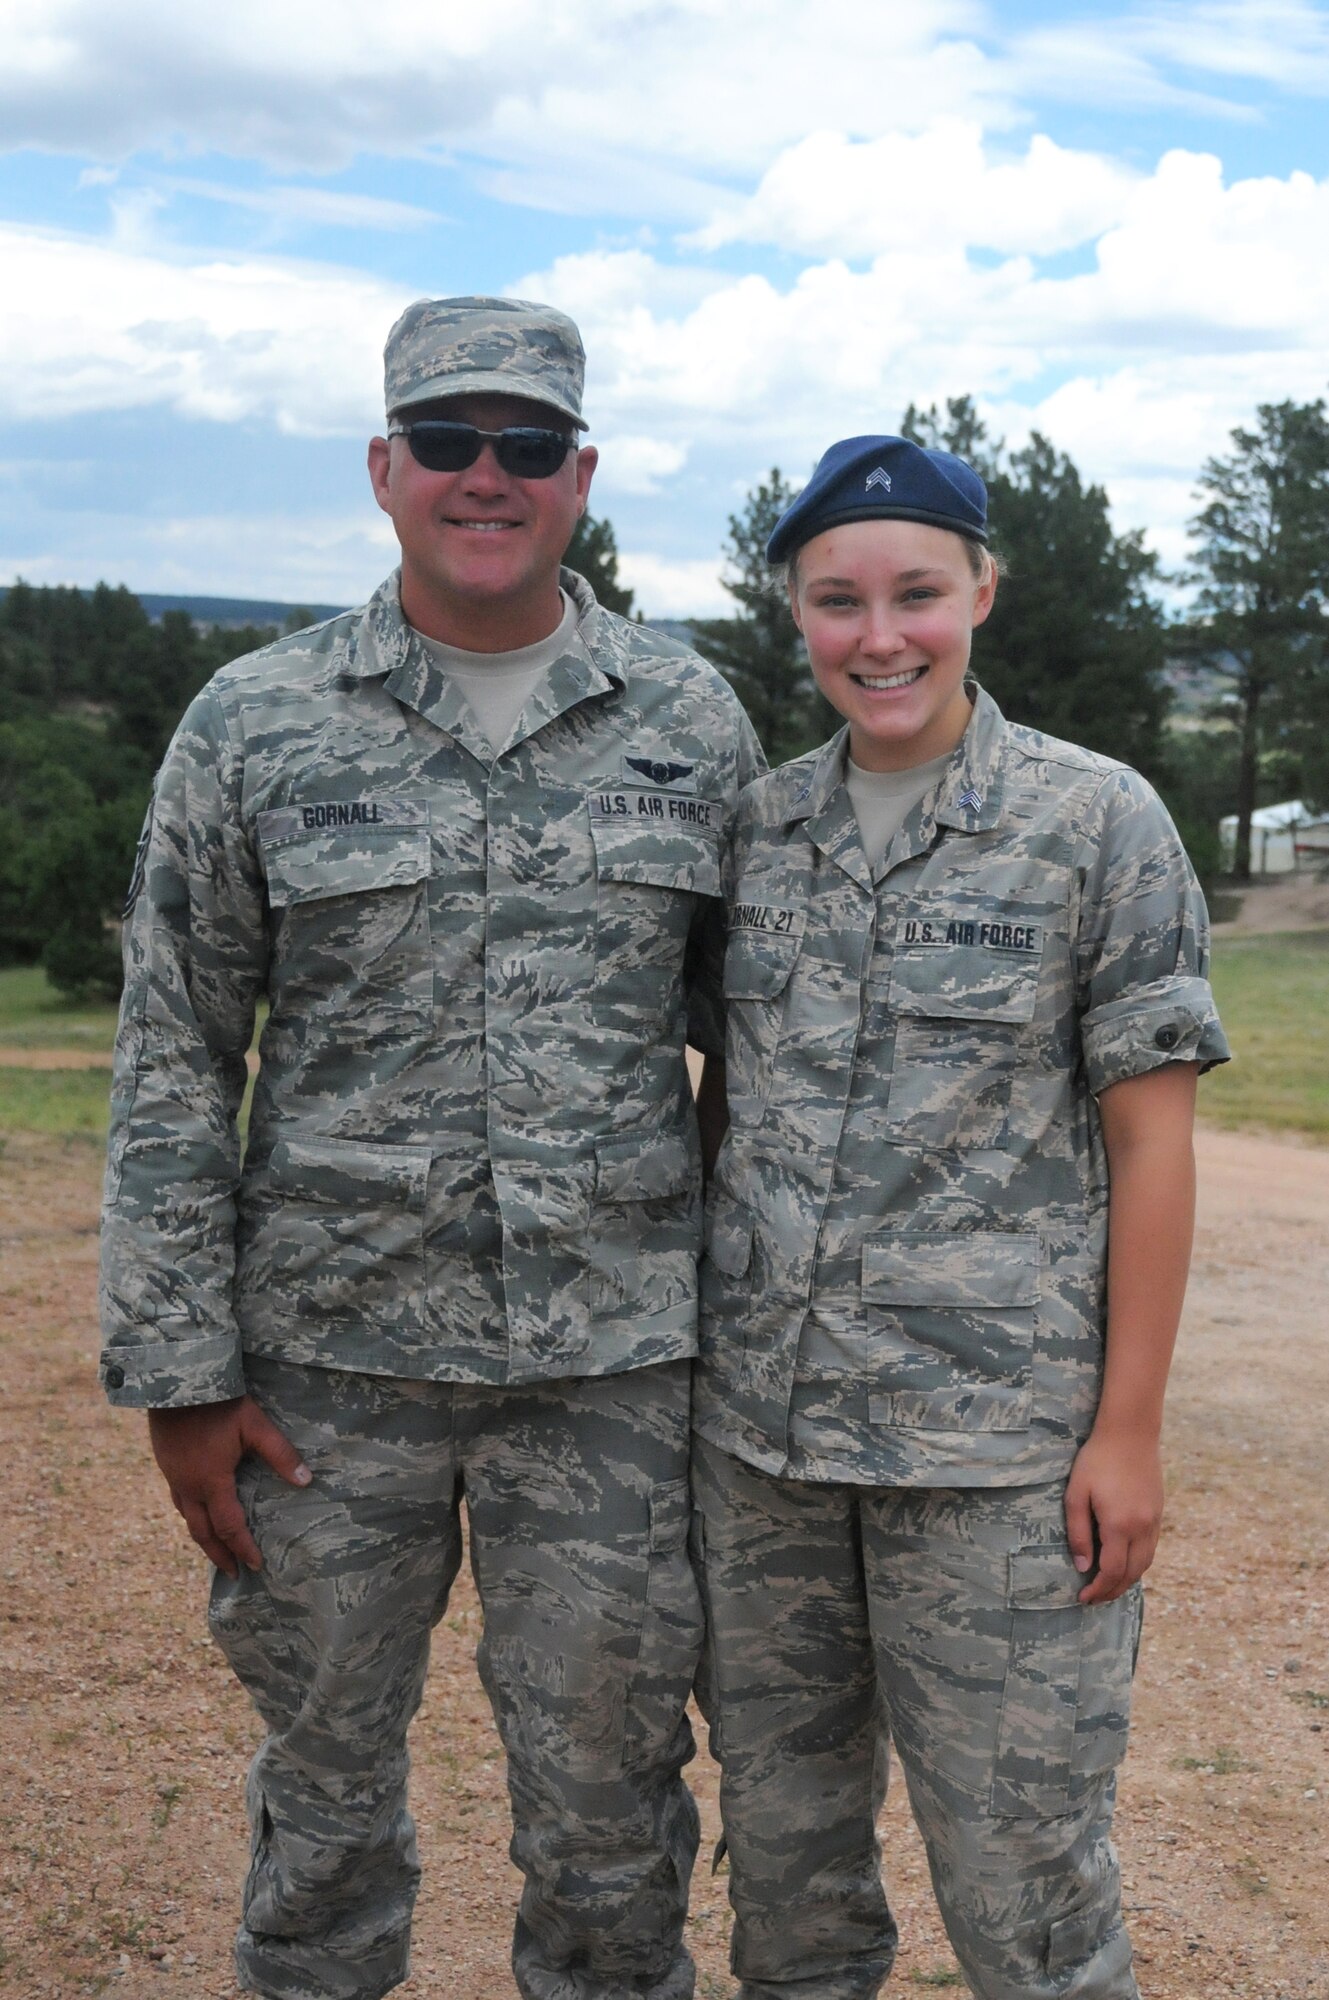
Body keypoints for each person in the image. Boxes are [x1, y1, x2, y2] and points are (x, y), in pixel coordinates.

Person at [99, 294, 763, 2000]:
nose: (490, 475)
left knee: (613, 1819)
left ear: (581, 476)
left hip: (608, 1377)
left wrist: (726, 1348)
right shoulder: (253, 724)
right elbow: (179, 1049)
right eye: (451, 442)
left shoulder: (690, 723)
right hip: (325, 1378)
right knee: (321, 1816)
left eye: (527, 445)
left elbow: (755, 1056)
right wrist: (181, 1367)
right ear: (384, 467)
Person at [691, 434, 1229, 2000]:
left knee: (1026, 1893)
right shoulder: (757, 832)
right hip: (763, 1459)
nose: (880, 637)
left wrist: (1123, 1431)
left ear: (980, 590)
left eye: (916, 592)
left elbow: (1153, 1144)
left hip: (989, 1465)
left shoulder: (1093, 823)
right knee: (786, 1881)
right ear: (792, 611)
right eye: (837, 600)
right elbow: (736, 1109)